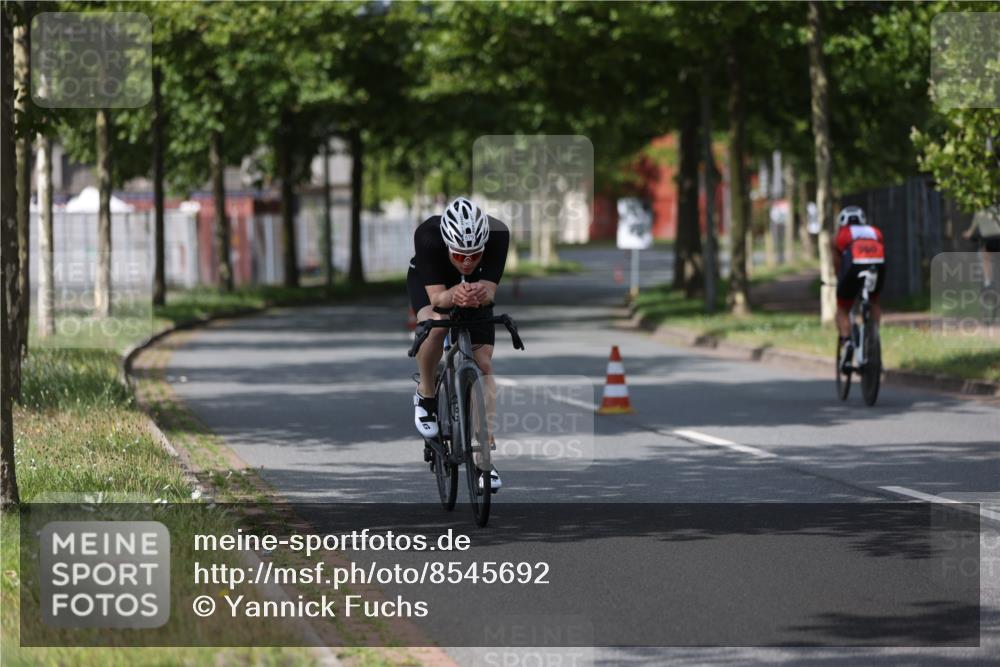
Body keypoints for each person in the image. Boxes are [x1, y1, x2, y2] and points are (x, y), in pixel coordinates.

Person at [408, 197, 509, 492]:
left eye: (475, 255)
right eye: (460, 254)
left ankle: (484, 460)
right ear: (448, 245)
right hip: (434, 284)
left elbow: (490, 291)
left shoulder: (498, 235)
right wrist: (453, 295)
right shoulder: (428, 235)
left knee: (485, 364)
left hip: (475, 290)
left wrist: (476, 293)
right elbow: (438, 299)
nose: (467, 261)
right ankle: (426, 394)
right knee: (435, 327)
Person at [831, 205, 885, 360]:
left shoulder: (841, 234)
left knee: (842, 309)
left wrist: (839, 278)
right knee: (874, 301)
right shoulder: (875, 232)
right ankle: (873, 338)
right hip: (877, 267)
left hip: (853, 268)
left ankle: (847, 342)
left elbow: (837, 263)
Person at [963, 209, 1000, 288]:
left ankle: (987, 282)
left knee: (985, 258)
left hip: (988, 239)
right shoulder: (996, 207)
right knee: (986, 257)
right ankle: (988, 282)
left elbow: (971, 229)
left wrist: (968, 233)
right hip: (994, 238)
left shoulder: (979, 210)